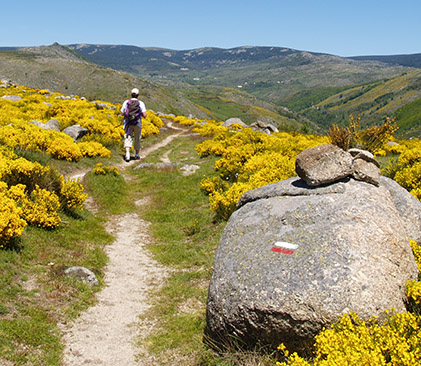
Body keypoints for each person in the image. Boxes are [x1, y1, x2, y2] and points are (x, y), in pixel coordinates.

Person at [120, 88, 147, 161]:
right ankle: (137, 154)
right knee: (137, 138)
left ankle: (127, 154)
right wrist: (139, 114)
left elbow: (122, 113)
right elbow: (145, 115)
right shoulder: (140, 103)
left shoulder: (126, 102)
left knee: (128, 137)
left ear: (131, 94)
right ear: (138, 95)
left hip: (128, 123)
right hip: (137, 123)